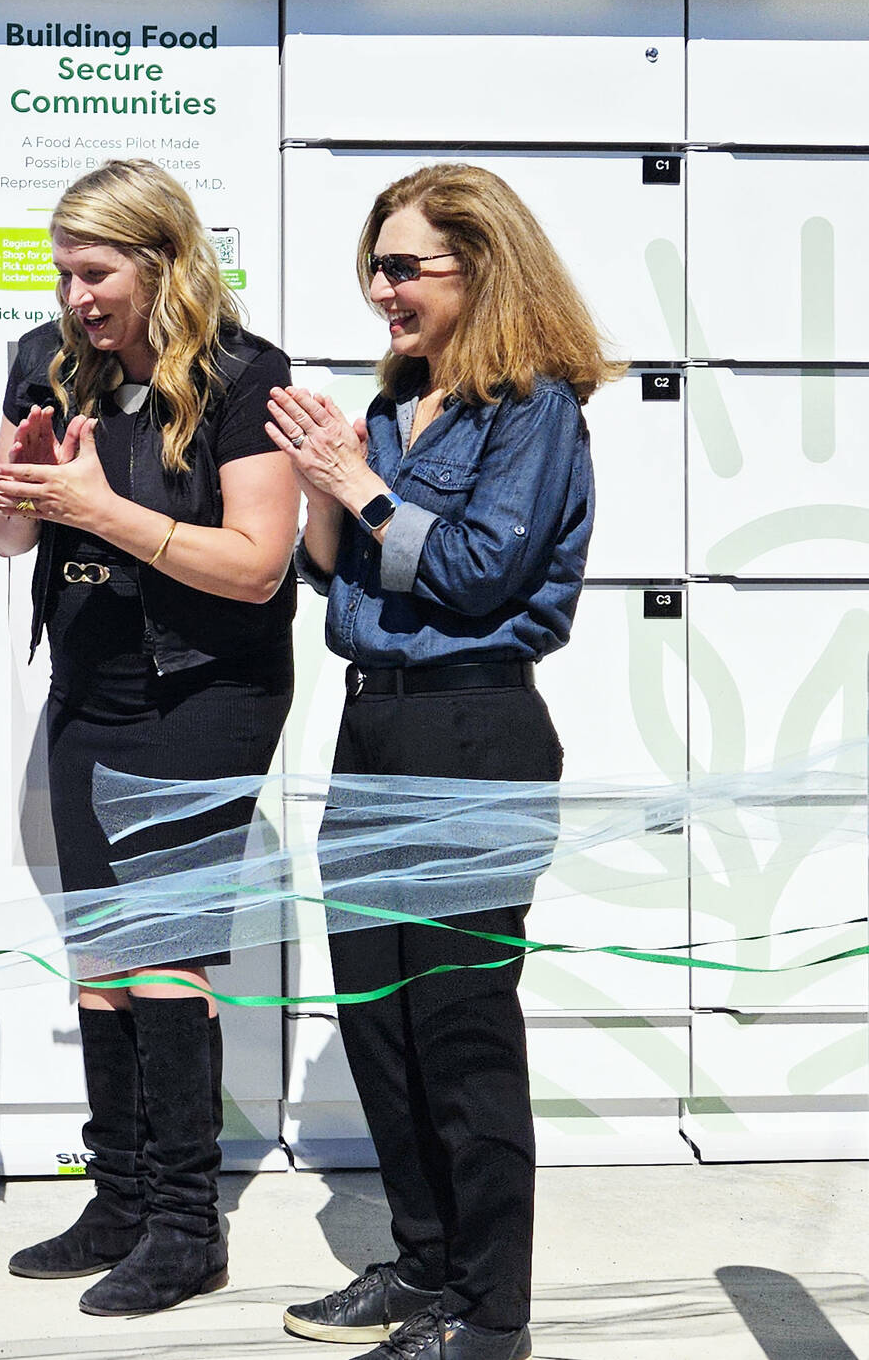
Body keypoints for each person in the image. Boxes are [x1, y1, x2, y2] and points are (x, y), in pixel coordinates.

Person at [265, 163, 620, 1360]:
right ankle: (422, 1263)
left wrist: (357, 486)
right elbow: (331, 575)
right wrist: (324, 484)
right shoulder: (391, 403)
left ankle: (490, 1311)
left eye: (401, 266)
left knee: (461, 1028)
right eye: (373, 265)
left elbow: (475, 574)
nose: (378, 289)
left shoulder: (532, 408)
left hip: (473, 733)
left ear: (482, 267)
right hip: (371, 724)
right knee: (378, 1016)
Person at [0, 159, 299, 1319]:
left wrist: (102, 511)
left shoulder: (240, 376)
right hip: (88, 681)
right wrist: (19, 497)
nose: (74, 295)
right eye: (63, 272)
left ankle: (183, 1223)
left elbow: (258, 565)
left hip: (204, 690)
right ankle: (115, 1196)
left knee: (165, 951)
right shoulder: (42, 362)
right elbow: (5, 535)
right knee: (100, 953)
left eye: (95, 271)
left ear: (159, 261)